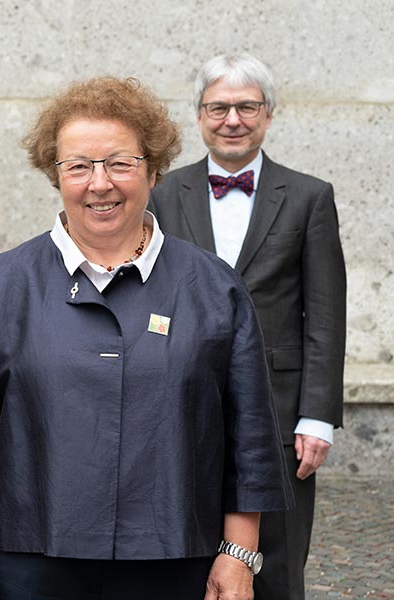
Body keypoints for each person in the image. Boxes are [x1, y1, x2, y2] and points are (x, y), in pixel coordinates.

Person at [0, 76, 294, 600]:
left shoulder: (213, 287)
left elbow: (248, 431)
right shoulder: (5, 284)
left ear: (153, 169)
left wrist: (239, 553)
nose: (99, 183)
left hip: (176, 558)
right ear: (55, 175)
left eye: (119, 163)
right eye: (79, 166)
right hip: (30, 559)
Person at [148, 54, 346, 600]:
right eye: (218, 107)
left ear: (268, 114)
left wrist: (318, 418)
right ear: (198, 116)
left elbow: (325, 316)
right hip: (186, 405)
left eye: (246, 106)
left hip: (282, 413)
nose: (232, 119)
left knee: (277, 563)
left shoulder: (310, 197)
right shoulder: (164, 195)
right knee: (188, 552)